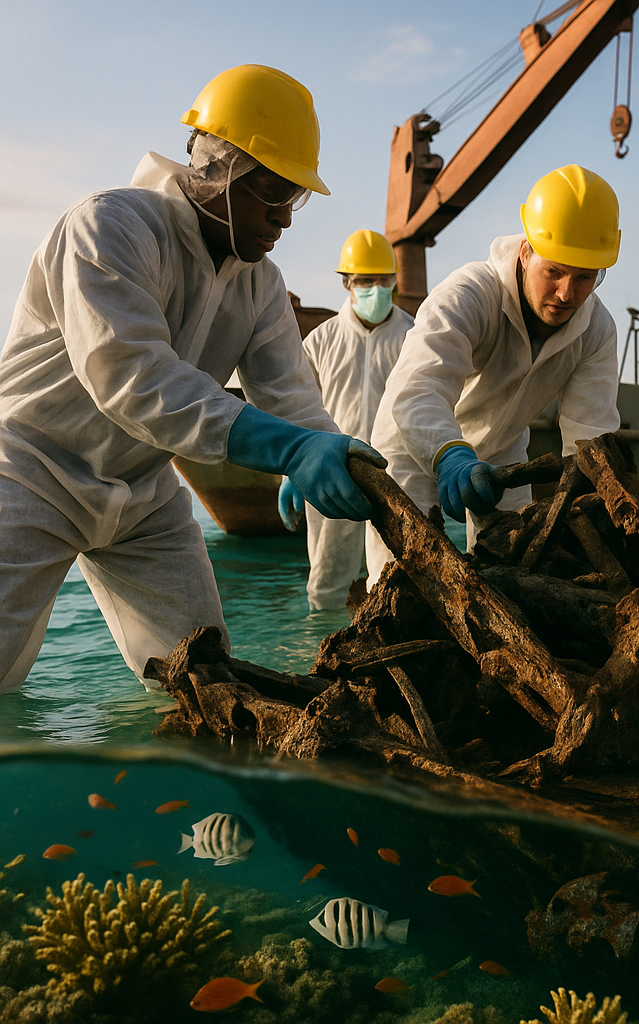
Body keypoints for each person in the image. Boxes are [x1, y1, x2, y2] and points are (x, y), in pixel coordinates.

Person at [0, 64, 383, 694]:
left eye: (295, 197)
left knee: (204, 676)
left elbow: (291, 399)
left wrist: (331, 453)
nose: (285, 218)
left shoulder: (260, 284)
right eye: (272, 193)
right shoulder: (110, 227)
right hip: (31, 470)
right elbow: (131, 377)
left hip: (144, 494)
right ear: (218, 169)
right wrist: (286, 449)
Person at [365, 164, 622, 585]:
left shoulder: (597, 330)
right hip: (414, 446)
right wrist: (450, 455)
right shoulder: (469, 293)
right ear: (525, 252)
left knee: (515, 578)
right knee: (402, 586)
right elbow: (419, 389)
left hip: (503, 454)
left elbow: (589, 440)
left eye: (584, 277)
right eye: (554, 271)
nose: (566, 293)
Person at [278, 230, 413, 609]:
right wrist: (289, 472)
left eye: (383, 280)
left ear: (395, 280)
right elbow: (295, 407)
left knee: (392, 585)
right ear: (347, 283)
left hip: (396, 475)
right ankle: (323, 662)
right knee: (327, 585)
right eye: (365, 281)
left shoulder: (415, 337)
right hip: (330, 472)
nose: (375, 288)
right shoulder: (320, 342)